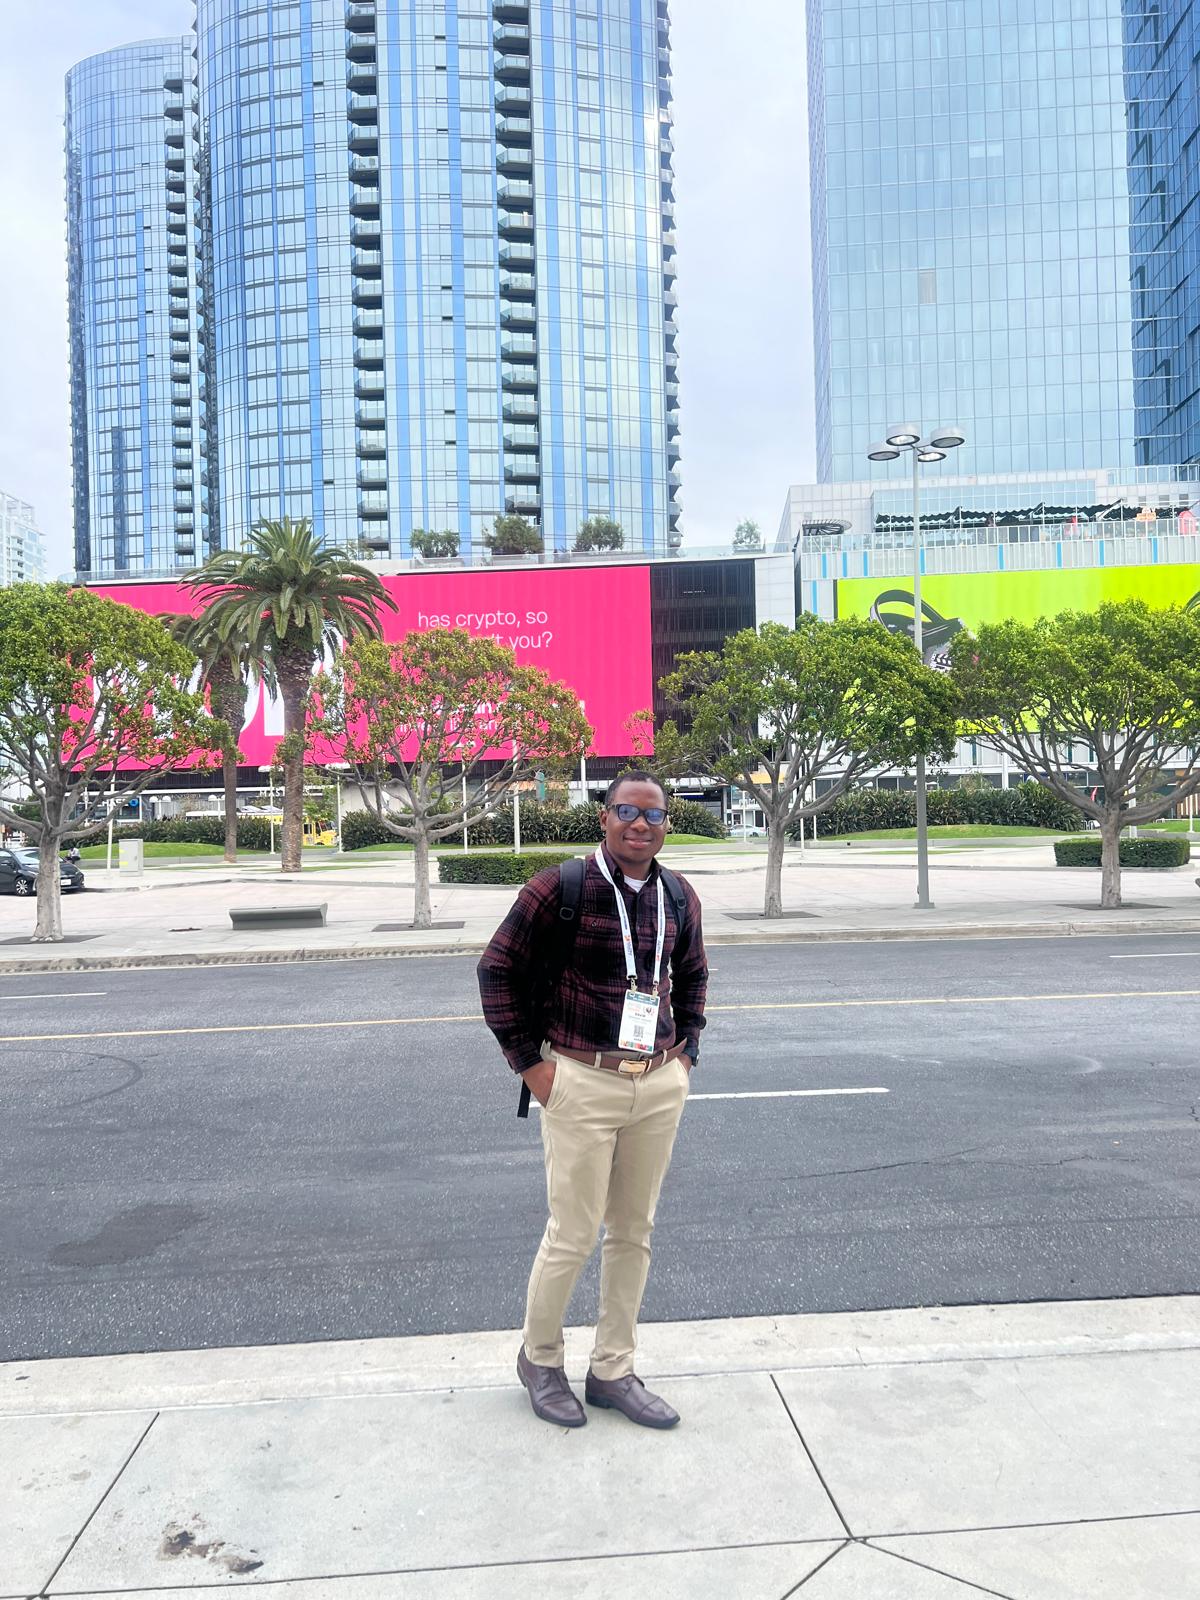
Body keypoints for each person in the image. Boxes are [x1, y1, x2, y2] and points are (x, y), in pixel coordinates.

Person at [478, 771, 708, 1431]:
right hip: (579, 1078)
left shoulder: (678, 894)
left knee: (634, 1232)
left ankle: (613, 1369)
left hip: (657, 1081)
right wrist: (530, 1066)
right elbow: (497, 970)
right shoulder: (561, 888)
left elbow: (690, 975)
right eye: (628, 811)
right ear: (603, 818)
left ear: (667, 824)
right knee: (573, 1233)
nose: (641, 824)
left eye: (655, 814)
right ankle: (539, 1358)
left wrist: (686, 1053)